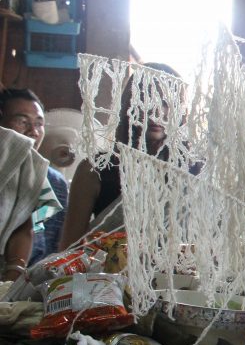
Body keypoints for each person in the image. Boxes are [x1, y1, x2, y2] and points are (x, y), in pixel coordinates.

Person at [60, 63, 185, 250]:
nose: (157, 112)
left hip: (183, 277)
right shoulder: (95, 169)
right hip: (108, 275)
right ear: (129, 104)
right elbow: (70, 248)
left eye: (166, 103)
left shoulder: (192, 171)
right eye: (147, 100)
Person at [0, 88, 67, 263]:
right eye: (22, 121)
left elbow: (47, 239)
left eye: (39, 123)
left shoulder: (54, 182)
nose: (34, 132)